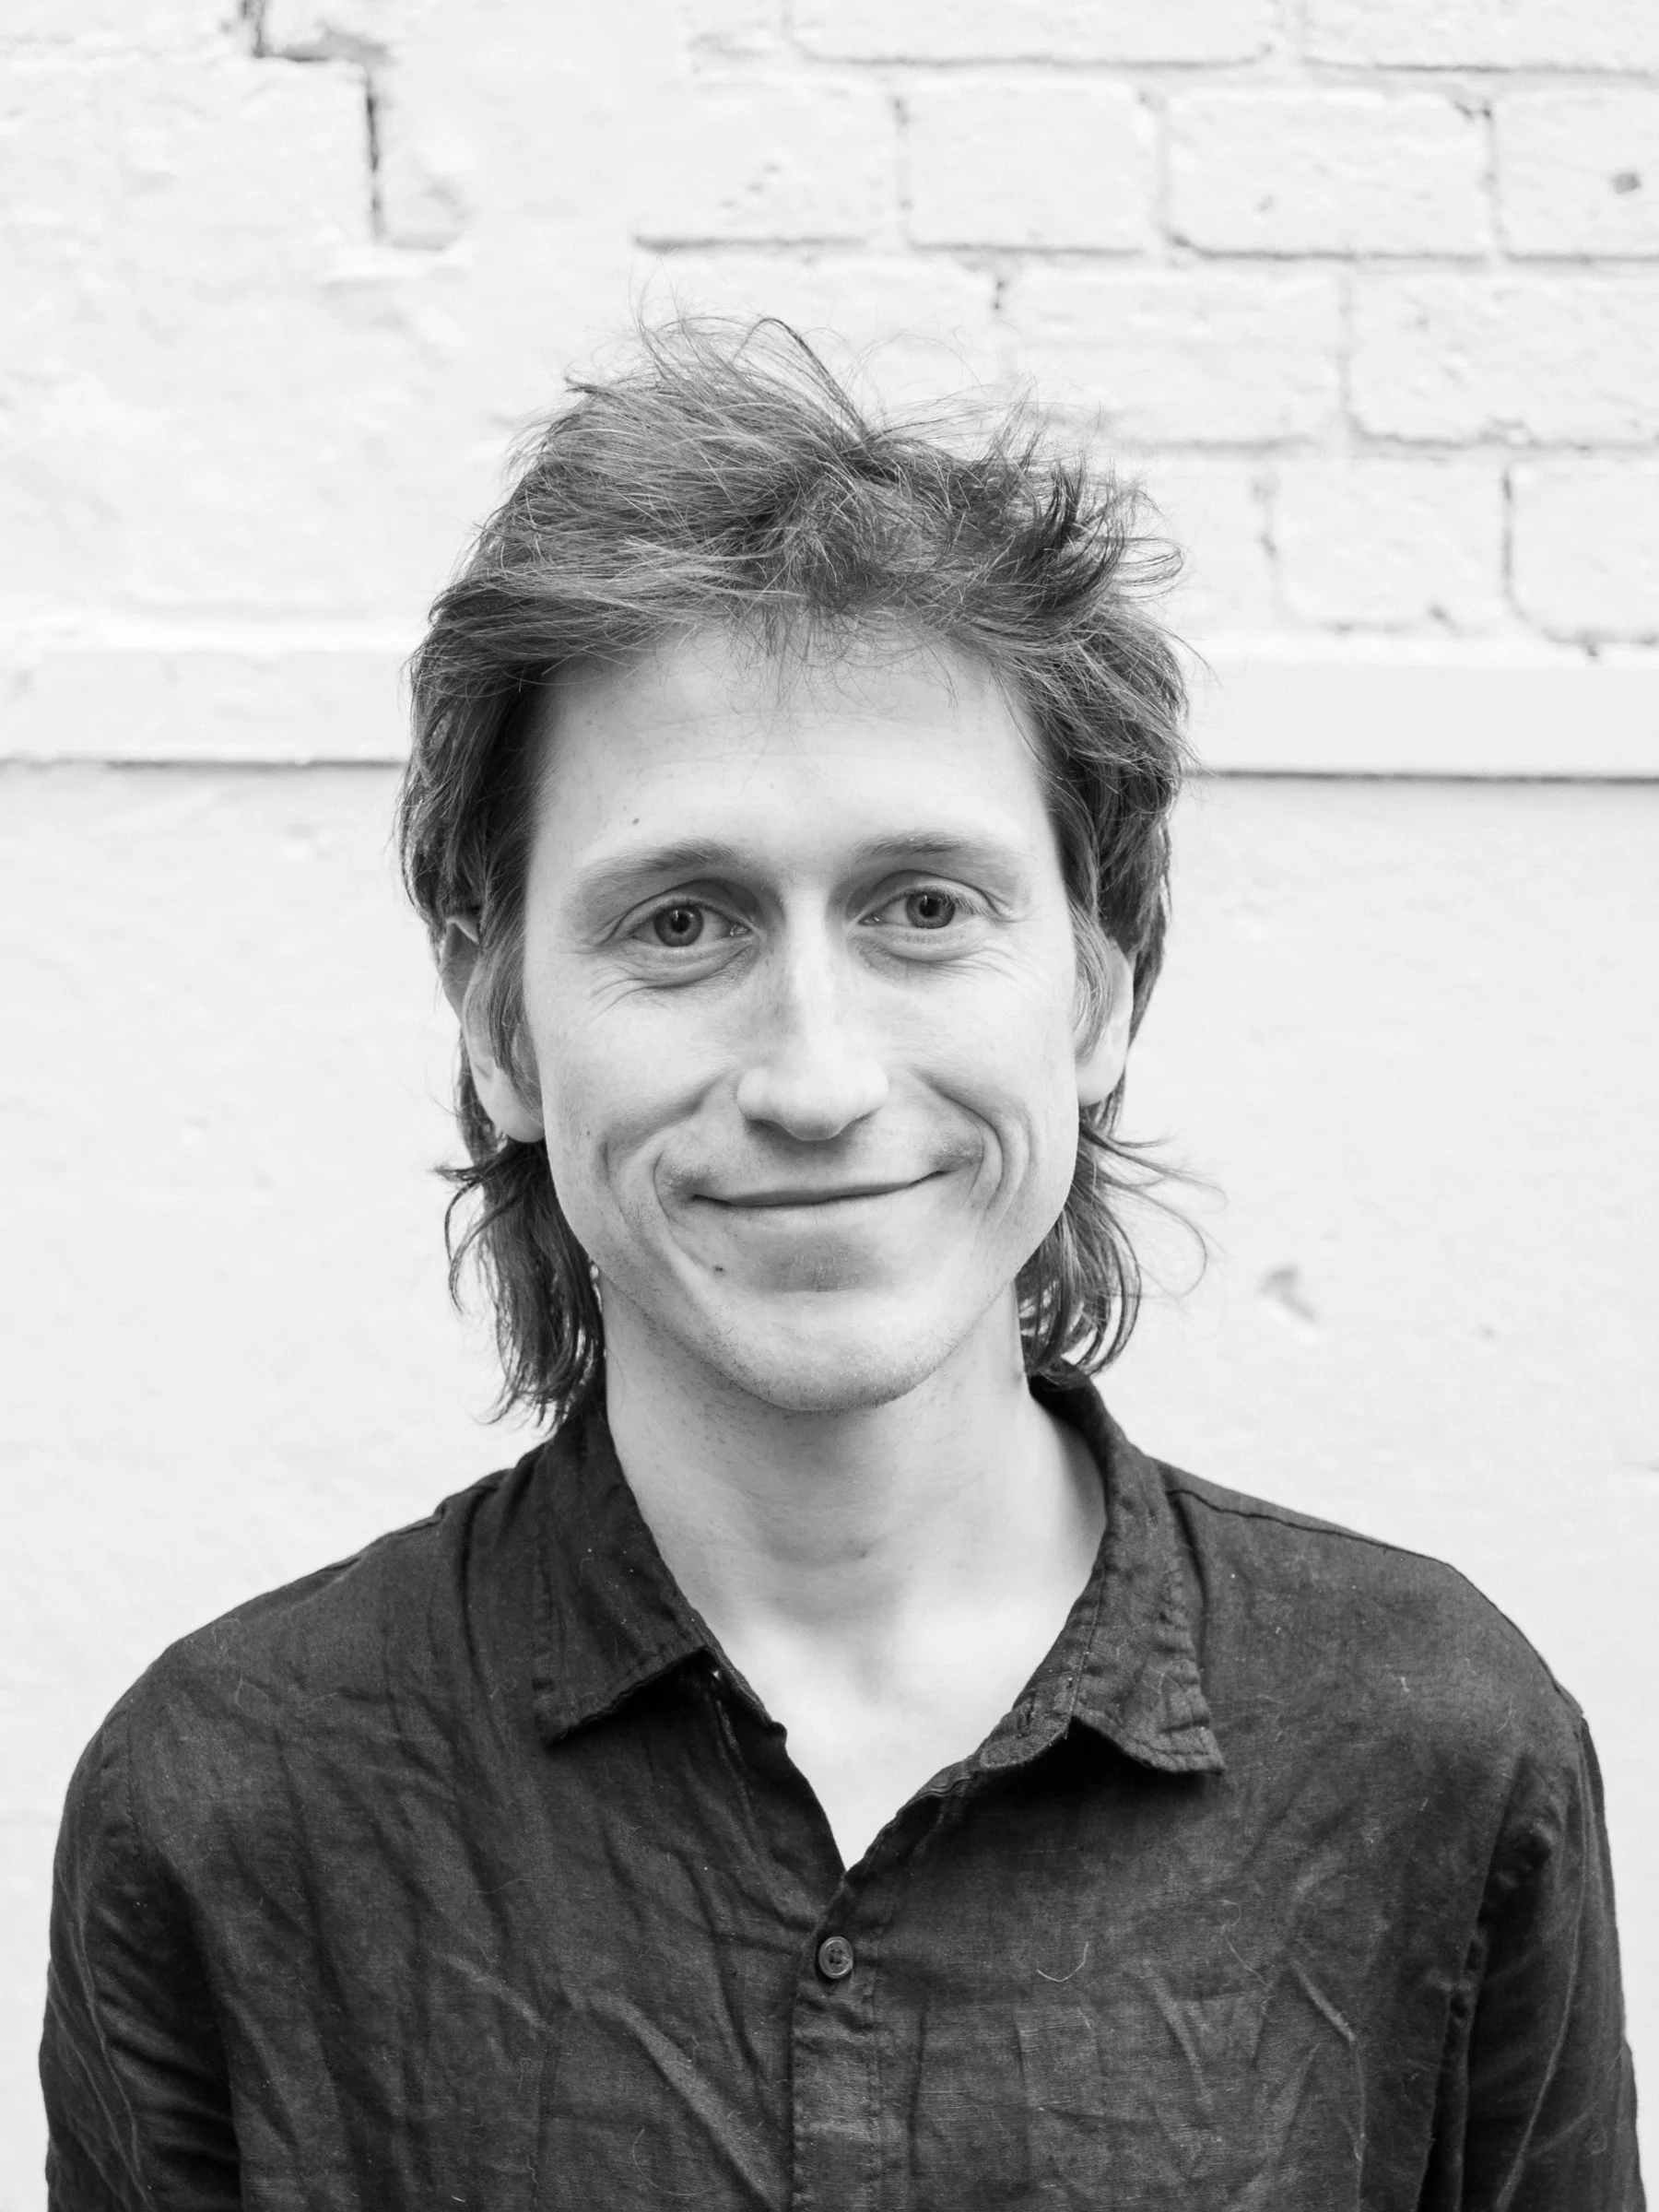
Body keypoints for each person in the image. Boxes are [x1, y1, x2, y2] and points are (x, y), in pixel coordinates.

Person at [41, 322, 1641, 2210]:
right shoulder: (231, 1802)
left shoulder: (1433, 1747)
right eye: (683, 920)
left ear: (1100, 998)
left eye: (925, 908)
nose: (815, 1076)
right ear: (500, 1032)